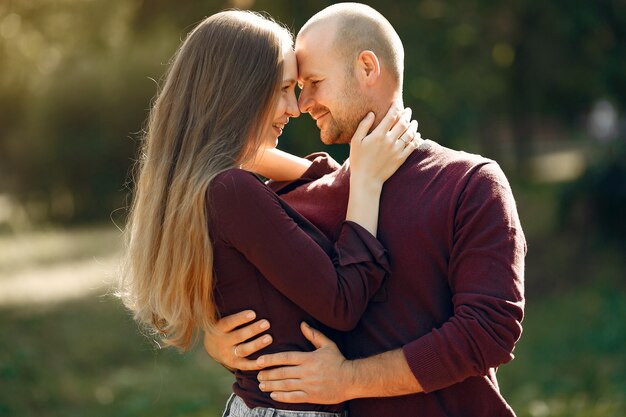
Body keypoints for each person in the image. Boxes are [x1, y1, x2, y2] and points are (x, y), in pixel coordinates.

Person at [204, 3, 527, 417]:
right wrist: (218, 338)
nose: (303, 104)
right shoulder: (299, 198)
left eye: (314, 82)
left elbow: (488, 332)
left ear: (367, 68)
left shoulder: (470, 183)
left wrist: (349, 379)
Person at [117, 9, 419, 417]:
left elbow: (324, 178)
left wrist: (252, 151)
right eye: (281, 90)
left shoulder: (199, 184)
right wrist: (365, 183)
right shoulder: (233, 192)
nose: (294, 108)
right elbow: (341, 303)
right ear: (239, 91)